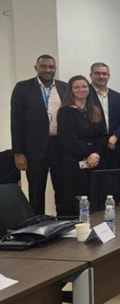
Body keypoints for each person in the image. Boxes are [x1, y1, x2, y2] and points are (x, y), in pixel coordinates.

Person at [10, 54, 67, 215]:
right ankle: (38, 226)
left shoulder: (64, 87)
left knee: (63, 190)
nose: (48, 70)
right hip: (34, 149)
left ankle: (63, 223)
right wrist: (18, 152)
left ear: (55, 69)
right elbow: (16, 122)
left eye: (51, 67)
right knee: (36, 192)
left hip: (60, 147)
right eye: (43, 66)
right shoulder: (23, 88)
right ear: (36, 68)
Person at [56, 75, 107, 217]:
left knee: (96, 196)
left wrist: (96, 154)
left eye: (84, 86)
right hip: (74, 161)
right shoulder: (65, 111)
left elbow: (103, 134)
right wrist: (87, 154)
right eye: (77, 87)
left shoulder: (96, 110)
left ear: (89, 89)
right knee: (76, 198)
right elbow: (67, 138)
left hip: (96, 160)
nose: (81, 90)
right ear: (71, 90)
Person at [89, 62, 120, 169]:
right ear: (91, 75)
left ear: (109, 76)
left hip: (114, 145)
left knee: (113, 177)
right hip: (93, 147)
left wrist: (116, 136)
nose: (101, 76)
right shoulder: (85, 94)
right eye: (97, 73)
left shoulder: (116, 96)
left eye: (104, 74)